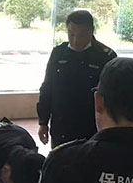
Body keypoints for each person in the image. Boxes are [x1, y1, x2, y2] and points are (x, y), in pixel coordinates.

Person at [37, 10, 117, 147]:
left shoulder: (105, 57)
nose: (76, 40)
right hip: (61, 124)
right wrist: (43, 122)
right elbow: (47, 87)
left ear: (91, 31)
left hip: (90, 126)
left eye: (82, 35)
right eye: (71, 34)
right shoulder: (59, 53)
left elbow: (111, 96)